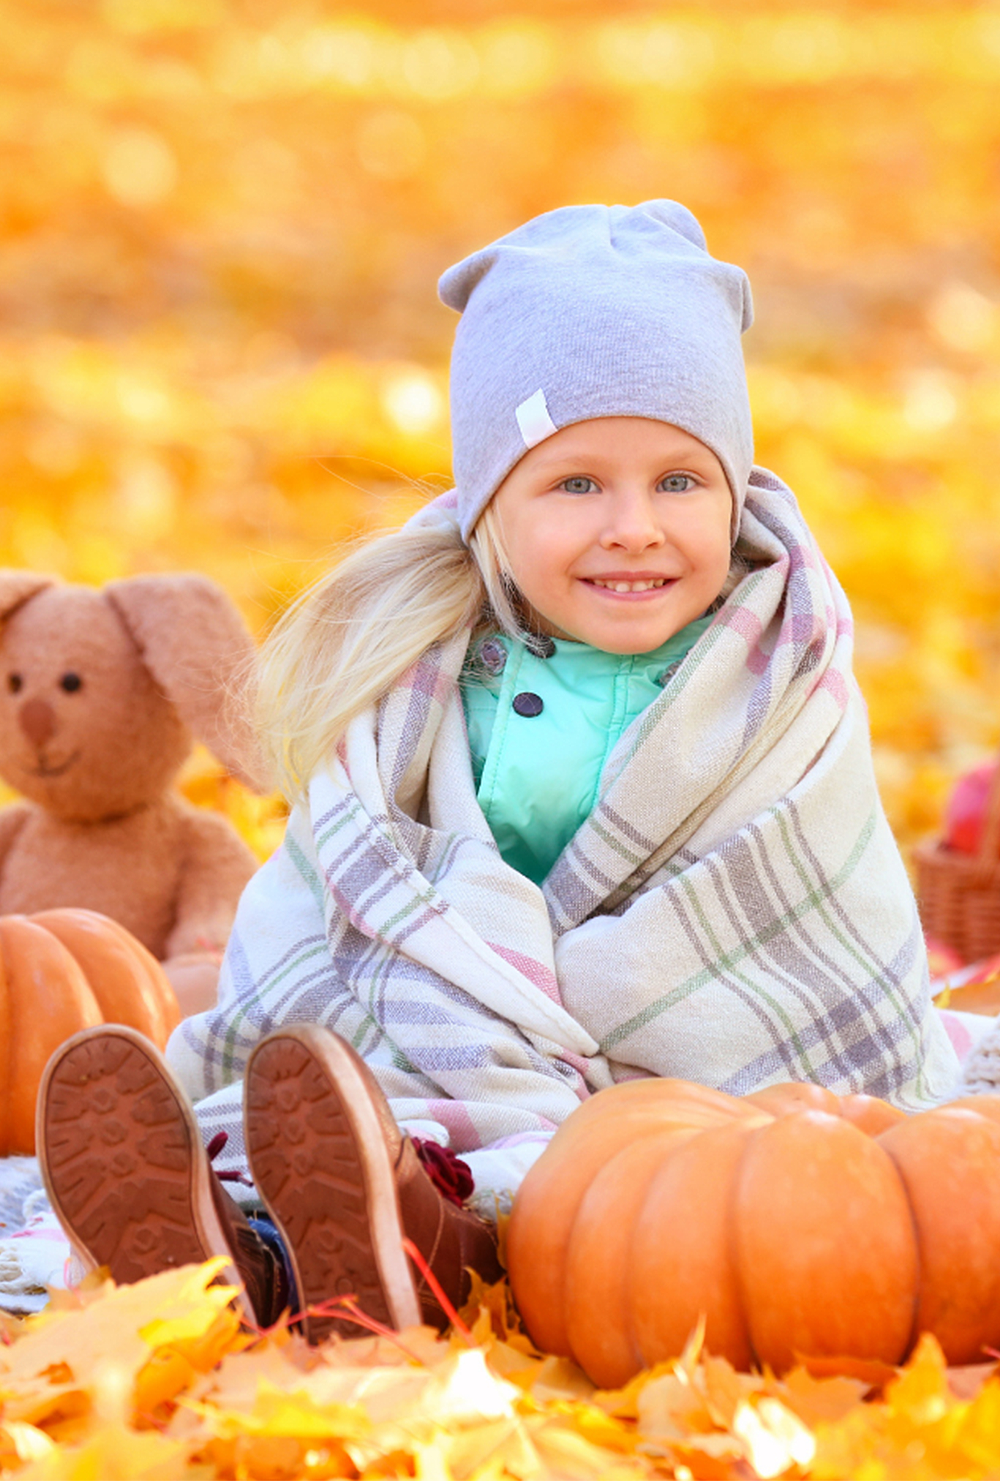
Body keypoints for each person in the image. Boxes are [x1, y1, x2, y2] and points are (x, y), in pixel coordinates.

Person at [37, 200, 960, 1339]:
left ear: (732, 491)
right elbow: (354, 883)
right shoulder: (422, 678)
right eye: (576, 486)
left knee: (606, 1182)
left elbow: (803, 892)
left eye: (680, 481)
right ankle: (243, 1240)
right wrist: (466, 1008)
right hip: (444, 1030)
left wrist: (573, 1046)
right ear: (488, 507)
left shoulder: (774, 683)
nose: (634, 526)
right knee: (340, 1099)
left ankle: (427, 1238)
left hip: (681, 1090)